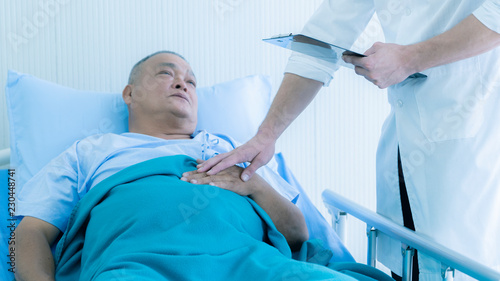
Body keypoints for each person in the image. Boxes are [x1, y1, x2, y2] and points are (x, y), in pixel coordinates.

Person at [195, 1, 500, 280]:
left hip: (469, 140)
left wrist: (410, 58)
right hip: (405, 142)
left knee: (460, 263)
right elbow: (321, 42)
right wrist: (267, 134)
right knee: (408, 266)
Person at [14, 51, 324, 281]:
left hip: (252, 264)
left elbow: (298, 234)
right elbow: (30, 233)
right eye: (167, 73)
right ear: (130, 93)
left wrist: (254, 186)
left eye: (191, 81)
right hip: (136, 265)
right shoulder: (90, 151)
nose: (183, 84)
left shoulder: (231, 149)